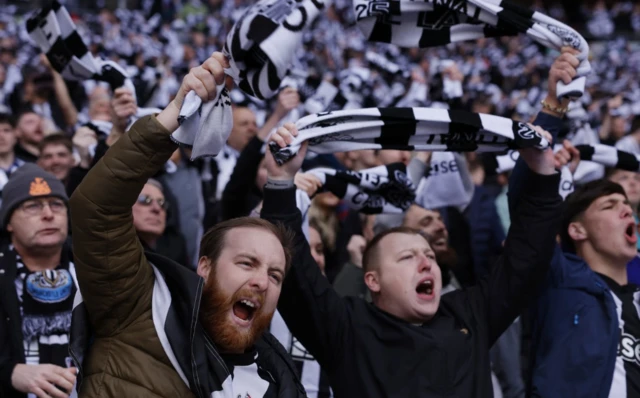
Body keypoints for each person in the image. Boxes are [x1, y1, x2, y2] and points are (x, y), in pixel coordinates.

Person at [260, 114, 561, 396]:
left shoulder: (469, 314)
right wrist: (280, 181)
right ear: (372, 280)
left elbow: (525, 259)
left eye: (429, 255)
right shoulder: (348, 328)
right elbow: (294, 269)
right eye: (407, 257)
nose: (426, 262)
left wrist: (542, 173)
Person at [69, 53, 305, 397]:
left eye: (275, 275)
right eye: (246, 263)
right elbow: (96, 209)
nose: (261, 282)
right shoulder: (142, 306)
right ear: (204, 267)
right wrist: (172, 116)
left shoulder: (279, 381)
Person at [524, 145, 640, 397]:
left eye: (626, 205)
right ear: (577, 231)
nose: (627, 210)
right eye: (609, 206)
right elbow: (533, 218)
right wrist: (548, 173)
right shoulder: (559, 281)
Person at [0, 164, 77, 398]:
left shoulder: (95, 270)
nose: (48, 214)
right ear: (9, 223)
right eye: (32, 206)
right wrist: (10, 373)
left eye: (56, 204)